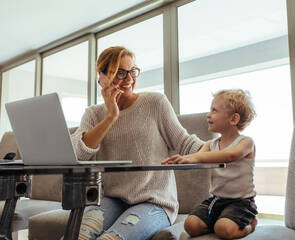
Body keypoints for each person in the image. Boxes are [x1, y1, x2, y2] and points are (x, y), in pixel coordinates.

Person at [69, 46, 204, 240]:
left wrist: (222, 149)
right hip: (112, 199)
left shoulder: (155, 102)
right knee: (76, 236)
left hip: (155, 202)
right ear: (103, 77)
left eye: (132, 71)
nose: (130, 79)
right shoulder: (93, 113)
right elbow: (79, 154)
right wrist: (111, 116)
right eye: (120, 73)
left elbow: (184, 142)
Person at [162, 89, 258, 240]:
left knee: (223, 229)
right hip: (217, 199)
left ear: (233, 119)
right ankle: (219, 220)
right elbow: (196, 156)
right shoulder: (211, 144)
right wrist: (182, 159)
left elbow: (230, 155)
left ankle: (248, 226)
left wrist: (196, 158)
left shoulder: (246, 143)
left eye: (214, 110)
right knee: (191, 225)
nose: (208, 114)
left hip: (241, 202)